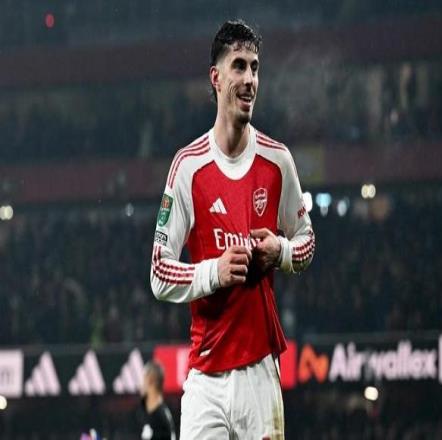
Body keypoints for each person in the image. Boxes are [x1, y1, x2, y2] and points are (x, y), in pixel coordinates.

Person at [150, 19, 315, 439]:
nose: (249, 79)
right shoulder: (188, 167)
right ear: (216, 78)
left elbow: (307, 241)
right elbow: (159, 273)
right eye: (238, 66)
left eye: (255, 68)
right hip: (205, 378)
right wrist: (215, 272)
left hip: (260, 375)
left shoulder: (278, 161)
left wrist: (280, 250)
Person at [140, 361, 177, 440]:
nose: (141, 384)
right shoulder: (145, 411)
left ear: (150, 380)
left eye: (144, 378)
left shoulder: (161, 418)